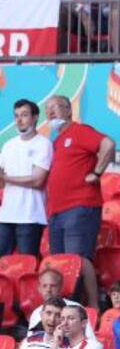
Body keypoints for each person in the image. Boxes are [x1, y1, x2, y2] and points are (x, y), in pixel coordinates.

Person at [0, 99, 52, 259]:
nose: (19, 120)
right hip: (6, 215)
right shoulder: (8, 145)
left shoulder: (43, 144)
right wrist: (3, 178)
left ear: (35, 117)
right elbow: (1, 182)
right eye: (16, 116)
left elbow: (37, 181)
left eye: (24, 115)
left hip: (31, 216)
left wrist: (5, 178)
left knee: (27, 264)